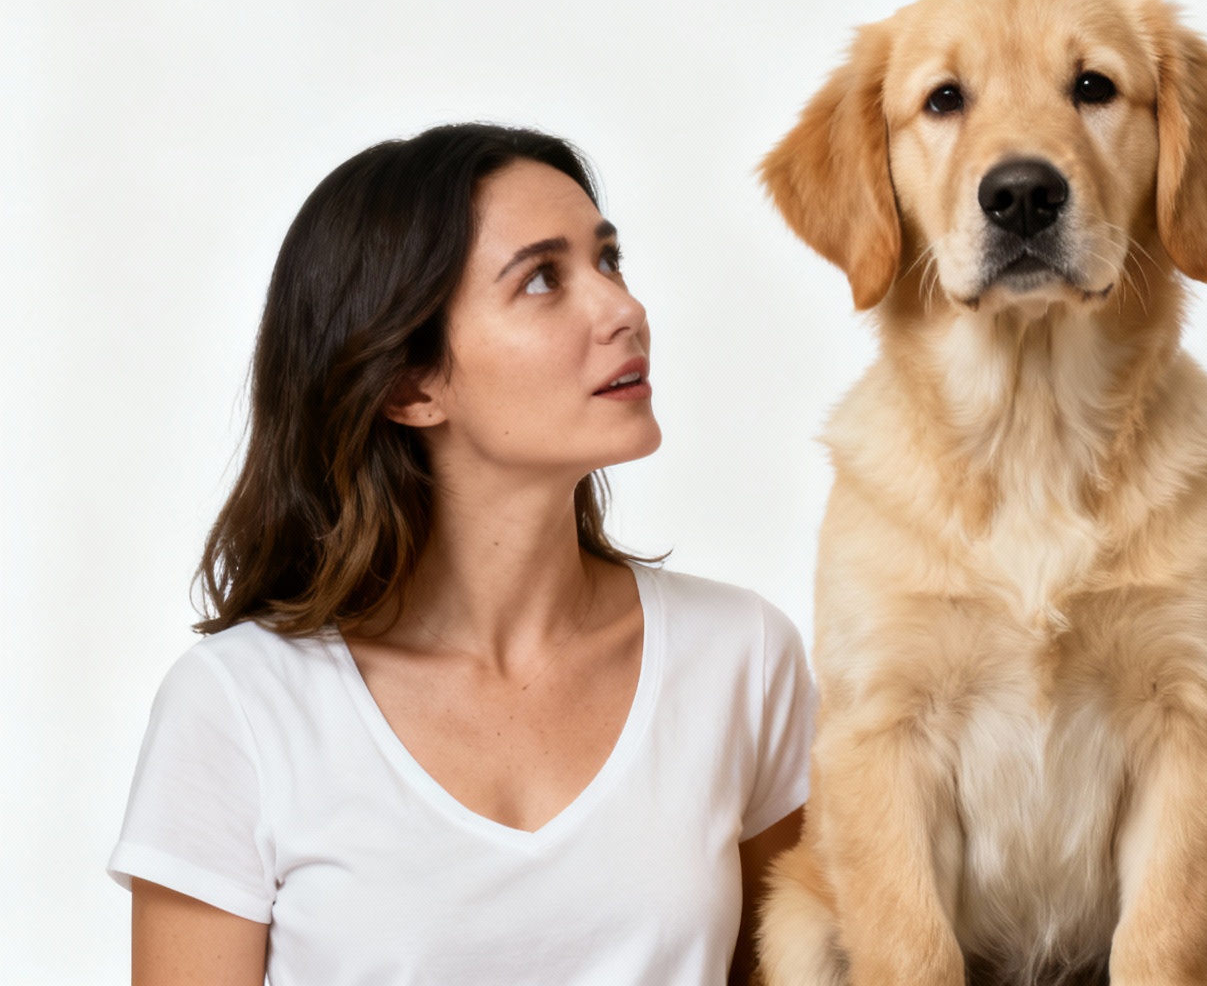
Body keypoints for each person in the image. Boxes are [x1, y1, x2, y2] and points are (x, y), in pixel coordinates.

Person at [109, 124, 813, 985]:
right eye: (543, 279)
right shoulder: (242, 707)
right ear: (411, 383)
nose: (622, 310)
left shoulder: (741, 655)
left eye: (609, 259)